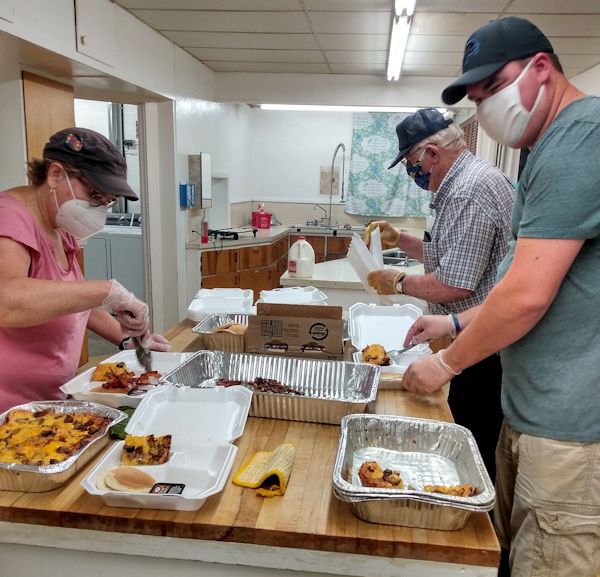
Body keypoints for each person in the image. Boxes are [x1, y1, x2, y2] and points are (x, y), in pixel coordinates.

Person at [402, 17, 600, 577]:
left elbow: (527, 298)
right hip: (533, 411)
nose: (486, 106)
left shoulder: (580, 140)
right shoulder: (548, 147)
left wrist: (445, 364)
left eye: (494, 89)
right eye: (477, 97)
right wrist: (457, 326)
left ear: (541, 68)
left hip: (569, 432)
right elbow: (520, 278)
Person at [363, 108, 515, 480]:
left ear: (432, 153)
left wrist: (398, 282)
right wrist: (401, 239)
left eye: (412, 163)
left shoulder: (469, 190)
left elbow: (454, 283)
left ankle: (471, 518)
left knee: (471, 440)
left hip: (485, 346)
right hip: (471, 334)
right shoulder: (462, 184)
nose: (411, 173)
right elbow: (447, 253)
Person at [0, 127, 170, 413]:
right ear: (55, 174)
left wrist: (126, 338)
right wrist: (106, 291)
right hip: (8, 407)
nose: (98, 209)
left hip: (47, 401)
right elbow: (7, 300)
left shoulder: (59, 228)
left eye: (106, 201)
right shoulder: (9, 218)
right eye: (93, 196)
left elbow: (73, 303)